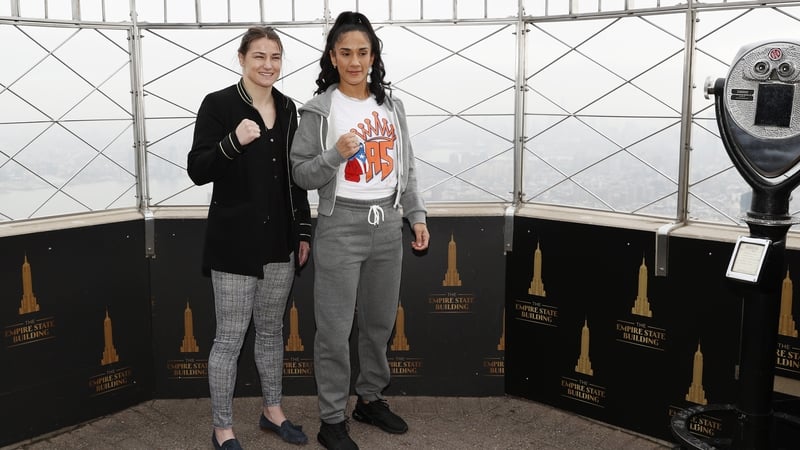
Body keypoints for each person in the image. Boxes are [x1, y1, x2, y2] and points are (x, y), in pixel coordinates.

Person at [290, 11, 430, 450]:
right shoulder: (319, 109)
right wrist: (334, 154)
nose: (354, 61)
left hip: (387, 224)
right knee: (334, 330)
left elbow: (407, 168)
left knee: (379, 324)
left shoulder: (392, 107)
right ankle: (331, 419)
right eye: (346, 52)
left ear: (373, 57)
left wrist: (416, 215)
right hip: (340, 226)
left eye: (362, 52)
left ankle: (370, 399)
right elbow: (300, 174)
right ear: (332, 57)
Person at [187, 27, 311, 450]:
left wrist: (302, 231)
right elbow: (198, 169)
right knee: (229, 339)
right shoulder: (218, 104)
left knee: (272, 331)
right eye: (259, 56)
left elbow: (296, 177)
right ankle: (222, 429)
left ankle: (272, 411)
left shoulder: (289, 108)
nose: (268, 65)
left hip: (280, 241)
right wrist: (233, 142)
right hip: (234, 244)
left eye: (275, 57)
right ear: (241, 58)